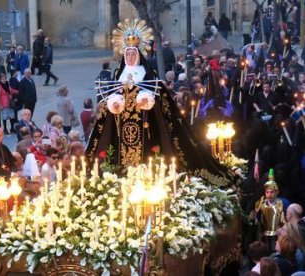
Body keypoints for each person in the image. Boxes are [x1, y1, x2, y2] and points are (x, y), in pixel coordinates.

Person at [85, 19, 232, 181]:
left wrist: (146, 101)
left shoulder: (146, 74)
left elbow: (159, 97)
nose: (131, 56)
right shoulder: (117, 75)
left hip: (145, 125)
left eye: (134, 53)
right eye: (128, 53)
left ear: (139, 54)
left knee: (147, 152)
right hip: (122, 126)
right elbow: (113, 97)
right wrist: (114, 104)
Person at [254, 169, 287, 252]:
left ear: (276, 192)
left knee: (275, 249)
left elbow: (284, 220)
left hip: (278, 233)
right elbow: (258, 220)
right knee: (266, 250)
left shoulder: (281, 203)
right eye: (267, 192)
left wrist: (283, 229)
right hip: (264, 234)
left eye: (271, 192)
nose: (269, 195)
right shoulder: (261, 203)